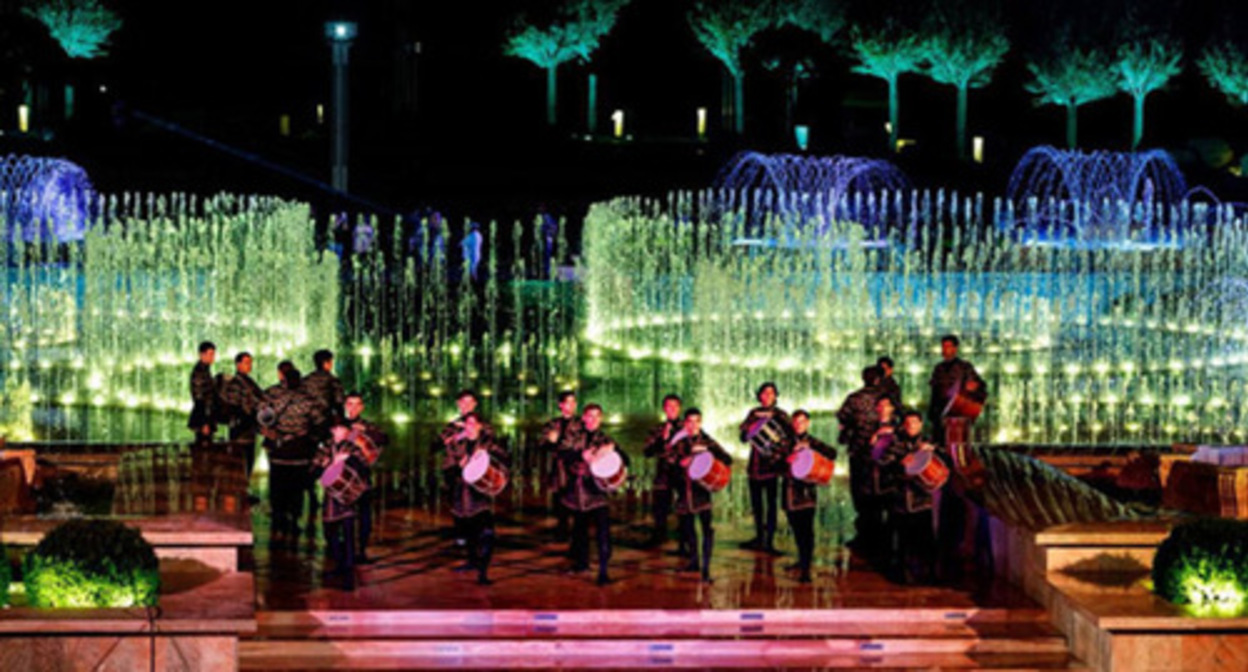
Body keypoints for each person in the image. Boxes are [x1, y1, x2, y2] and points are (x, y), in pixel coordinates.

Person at [259, 361, 326, 550]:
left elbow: (262, 419)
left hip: (278, 450)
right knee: (297, 488)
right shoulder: (309, 398)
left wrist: (271, 433)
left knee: (278, 485)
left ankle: (279, 519)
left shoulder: (272, 394)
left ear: (283, 377)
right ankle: (294, 519)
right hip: (300, 450)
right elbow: (319, 421)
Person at [559, 404, 628, 586]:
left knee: (603, 533)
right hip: (577, 493)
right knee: (580, 531)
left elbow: (625, 459)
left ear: (601, 418)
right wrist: (581, 455)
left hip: (598, 494)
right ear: (583, 417)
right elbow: (562, 454)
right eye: (590, 416)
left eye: (597, 416)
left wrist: (612, 450)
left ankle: (604, 571)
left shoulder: (606, 439)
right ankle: (582, 564)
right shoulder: (573, 437)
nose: (593, 420)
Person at [877, 410, 946, 585]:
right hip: (901, 500)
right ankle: (902, 574)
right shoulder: (896, 445)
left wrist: (933, 450)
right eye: (908, 424)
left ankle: (930, 573)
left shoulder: (929, 443)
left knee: (927, 539)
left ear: (921, 424)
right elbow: (884, 464)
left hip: (922, 500)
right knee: (902, 540)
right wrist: (900, 463)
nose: (911, 427)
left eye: (914, 423)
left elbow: (945, 456)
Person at [442, 412, 509, 585]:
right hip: (460, 497)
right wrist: (459, 467)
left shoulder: (488, 443)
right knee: (469, 535)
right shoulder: (456, 445)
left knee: (487, 533)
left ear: (479, 425)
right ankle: (471, 562)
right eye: (467, 423)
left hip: (481, 498)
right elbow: (446, 471)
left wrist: (488, 455)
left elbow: (505, 458)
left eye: (473, 423)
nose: (470, 426)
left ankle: (483, 573)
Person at [312, 420, 375, 590]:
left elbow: (365, 468)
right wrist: (331, 464)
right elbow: (314, 470)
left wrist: (350, 459)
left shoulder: (353, 448)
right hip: (331, 498)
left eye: (343, 429)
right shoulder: (325, 448)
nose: (339, 432)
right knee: (330, 532)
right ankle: (339, 564)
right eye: (337, 429)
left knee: (348, 536)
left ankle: (348, 574)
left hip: (349, 499)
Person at [672, 408, 733, 583]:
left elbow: (727, 459)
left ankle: (706, 569)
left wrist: (707, 457)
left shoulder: (708, 442)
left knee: (707, 530)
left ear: (700, 422)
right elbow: (670, 462)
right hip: (684, 492)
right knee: (689, 530)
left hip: (702, 494)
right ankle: (693, 562)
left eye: (696, 421)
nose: (692, 425)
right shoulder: (679, 443)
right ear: (685, 423)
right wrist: (679, 462)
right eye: (689, 422)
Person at [778, 410, 837, 584]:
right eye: (796, 422)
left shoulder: (812, 441)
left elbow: (832, 453)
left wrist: (810, 449)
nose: (799, 425)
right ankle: (801, 560)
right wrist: (788, 458)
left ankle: (806, 569)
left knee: (807, 531)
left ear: (808, 423)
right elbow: (775, 462)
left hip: (807, 494)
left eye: (802, 422)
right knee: (797, 530)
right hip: (789, 493)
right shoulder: (785, 443)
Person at [838, 365, 885, 558]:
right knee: (878, 491)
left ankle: (864, 534)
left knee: (860, 492)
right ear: (878, 380)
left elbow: (842, 417)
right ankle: (880, 534)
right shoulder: (885, 399)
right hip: (882, 454)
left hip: (858, 453)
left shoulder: (854, 398)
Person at [737, 382, 791, 554]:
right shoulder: (753, 414)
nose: (767, 396)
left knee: (771, 505)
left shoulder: (781, 415)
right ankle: (759, 537)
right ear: (759, 396)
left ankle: (769, 541)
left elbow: (790, 436)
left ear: (776, 396)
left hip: (772, 467)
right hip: (754, 466)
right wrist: (750, 429)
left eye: (771, 393)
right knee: (757, 505)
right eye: (764, 393)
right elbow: (743, 437)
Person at [339, 393, 388, 565]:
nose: (353, 408)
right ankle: (344, 548)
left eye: (357, 404)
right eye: (350, 404)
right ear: (345, 405)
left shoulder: (367, 425)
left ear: (362, 407)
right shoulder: (338, 424)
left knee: (364, 515)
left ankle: (361, 550)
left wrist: (365, 432)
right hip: (341, 476)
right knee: (342, 515)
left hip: (361, 476)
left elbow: (384, 439)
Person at [303, 349, 346, 538]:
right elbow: (338, 403)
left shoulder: (306, 380)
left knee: (311, 457)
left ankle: (309, 490)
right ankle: (330, 489)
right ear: (327, 363)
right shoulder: (333, 381)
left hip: (309, 425)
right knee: (330, 458)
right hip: (325, 425)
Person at [927, 335, 987, 446]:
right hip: (940, 413)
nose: (944, 350)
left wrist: (975, 387)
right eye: (943, 347)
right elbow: (934, 392)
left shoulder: (965, 367)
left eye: (948, 346)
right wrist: (932, 413)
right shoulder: (938, 368)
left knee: (957, 444)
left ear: (955, 348)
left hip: (957, 413)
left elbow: (980, 385)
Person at [642, 394, 684, 550]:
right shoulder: (658, 429)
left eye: (675, 406)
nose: (671, 409)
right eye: (668, 406)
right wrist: (662, 439)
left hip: (682, 473)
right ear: (664, 409)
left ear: (679, 408)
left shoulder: (687, 427)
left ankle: (684, 539)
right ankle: (659, 535)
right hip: (664, 472)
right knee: (660, 505)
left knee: (684, 505)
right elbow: (647, 452)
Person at [540, 391, 583, 540]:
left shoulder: (580, 424)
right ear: (561, 405)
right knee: (559, 498)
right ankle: (562, 528)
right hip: (558, 468)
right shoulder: (552, 425)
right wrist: (550, 443)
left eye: (573, 402)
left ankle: (575, 531)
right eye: (568, 402)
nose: (571, 405)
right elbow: (542, 446)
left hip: (575, 467)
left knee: (575, 498)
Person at [220, 352, 265, 479]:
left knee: (248, 458)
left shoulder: (247, 381)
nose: (249, 365)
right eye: (246, 362)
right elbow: (235, 405)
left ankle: (244, 487)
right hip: (241, 427)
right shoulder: (236, 382)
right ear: (238, 364)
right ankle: (239, 488)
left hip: (248, 426)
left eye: (250, 362)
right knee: (241, 458)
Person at [188, 341, 218, 445]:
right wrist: (204, 422)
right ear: (202, 354)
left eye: (213, 354)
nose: (212, 357)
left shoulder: (204, 370)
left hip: (206, 415)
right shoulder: (200, 372)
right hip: (203, 416)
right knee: (203, 446)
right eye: (210, 354)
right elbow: (199, 397)